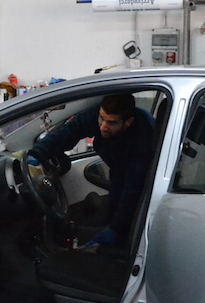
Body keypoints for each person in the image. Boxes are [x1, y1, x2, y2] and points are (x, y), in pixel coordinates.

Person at [29, 93, 154, 248]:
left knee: (121, 225)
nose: (103, 126)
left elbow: (133, 188)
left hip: (135, 178)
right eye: (102, 118)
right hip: (118, 171)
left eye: (111, 122)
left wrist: (116, 229)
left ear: (128, 122)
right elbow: (67, 133)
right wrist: (37, 153)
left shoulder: (143, 139)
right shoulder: (98, 115)